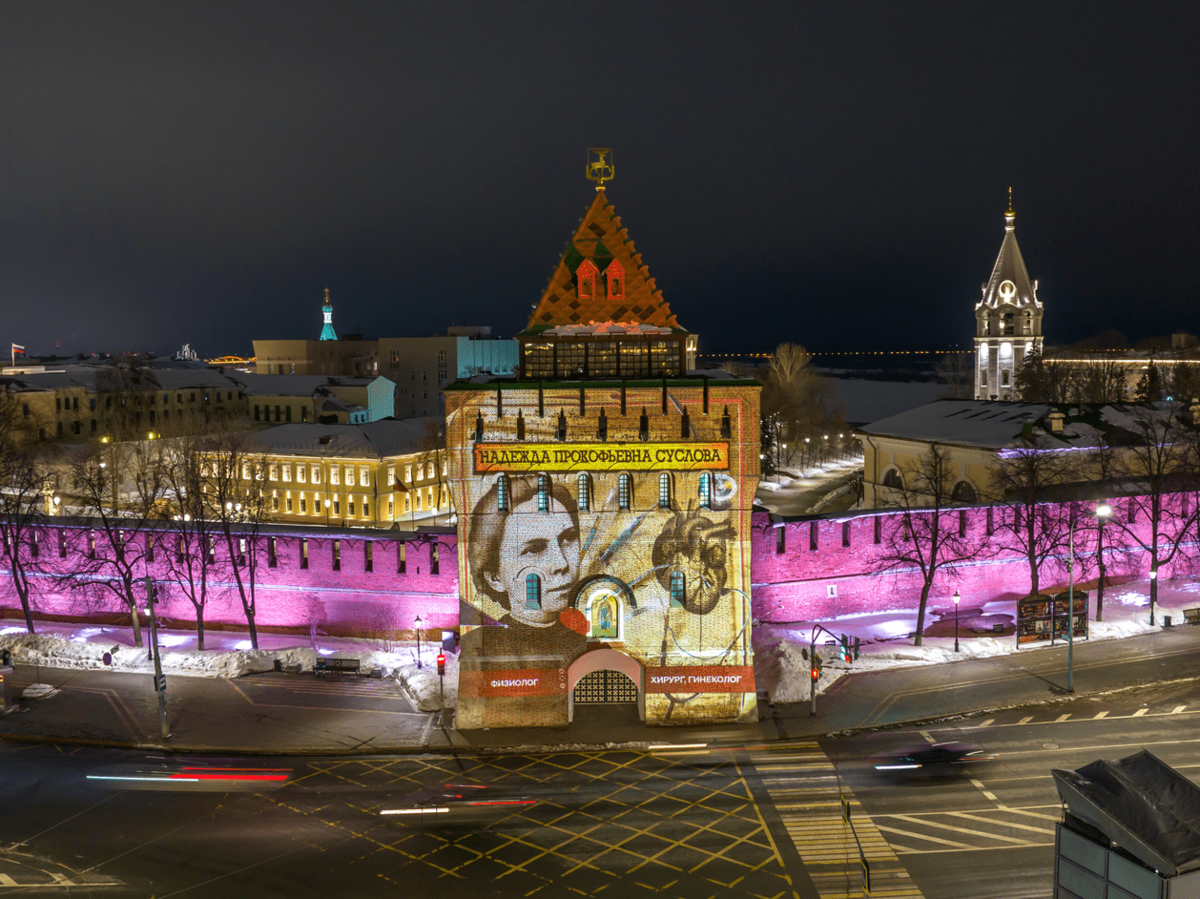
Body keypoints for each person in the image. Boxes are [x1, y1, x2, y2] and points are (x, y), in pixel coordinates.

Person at [463, 475, 588, 659]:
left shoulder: (586, 645)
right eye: (535, 549)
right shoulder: (480, 650)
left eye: (568, 539)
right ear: (495, 577)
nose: (562, 563)